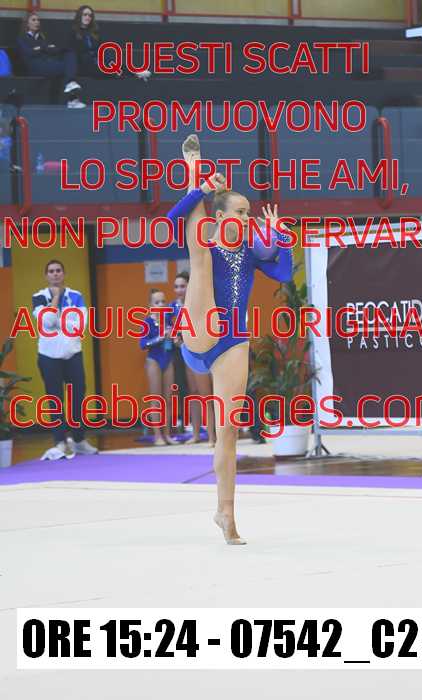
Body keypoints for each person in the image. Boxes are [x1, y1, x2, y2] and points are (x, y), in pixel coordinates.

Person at [180, 134, 293, 545]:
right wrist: (200, 190)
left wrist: (280, 235)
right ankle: (193, 167)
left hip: (230, 340)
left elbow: (283, 272)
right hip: (199, 327)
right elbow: (175, 218)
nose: (248, 218)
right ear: (221, 215)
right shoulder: (207, 242)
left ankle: (225, 512)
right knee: (200, 255)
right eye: (241, 212)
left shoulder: (249, 252)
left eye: (249, 213)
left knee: (228, 428)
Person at [32, 259, 98, 459]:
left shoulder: (76, 296)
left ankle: (78, 440)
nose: (55, 274)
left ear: (64, 273)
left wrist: (58, 322)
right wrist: (56, 299)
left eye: (58, 270)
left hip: (72, 354)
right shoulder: (39, 297)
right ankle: (59, 442)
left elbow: (80, 325)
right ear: (46, 275)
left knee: (78, 396)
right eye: (51, 271)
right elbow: (46, 322)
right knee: (55, 399)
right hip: (48, 356)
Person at [170, 271, 216, 446]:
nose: (179, 289)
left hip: (202, 350)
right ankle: (196, 434)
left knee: (209, 395)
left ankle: (214, 436)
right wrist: (175, 337)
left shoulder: (199, 302)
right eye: (176, 286)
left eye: (182, 286)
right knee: (194, 393)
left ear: (190, 286)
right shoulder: (173, 307)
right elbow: (167, 328)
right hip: (185, 352)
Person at [17, 12, 85, 109]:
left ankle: (71, 85)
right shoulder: (22, 38)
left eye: (38, 20)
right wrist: (44, 47)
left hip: (48, 63)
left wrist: (43, 48)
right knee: (68, 68)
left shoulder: (42, 37)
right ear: (27, 24)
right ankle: (72, 98)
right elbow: (30, 53)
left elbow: (51, 50)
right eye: (33, 20)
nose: (37, 22)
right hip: (36, 67)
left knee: (70, 53)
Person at [69, 5, 150, 80]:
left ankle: (135, 73)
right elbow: (75, 54)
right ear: (79, 16)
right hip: (84, 65)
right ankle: (123, 73)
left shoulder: (94, 33)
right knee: (104, 69)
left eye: (90, 15)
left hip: (97, 62)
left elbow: (101, 50)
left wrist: (109, 62)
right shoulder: (74, 32)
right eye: (85, 15)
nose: (88, 17)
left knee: (112, 62)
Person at [140, 288, 176, 446]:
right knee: (156, 398)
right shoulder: (147, 322)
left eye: (163, 301)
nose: (161, 304)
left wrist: (174, 337)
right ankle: (157, 435)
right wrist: (159, 338)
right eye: (157, 302)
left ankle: (167, 434)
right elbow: (143, 344)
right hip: (154, 359)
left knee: (168, 399)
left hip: (168, 358)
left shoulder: (168, 320)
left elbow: (176, 341)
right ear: (150, 305)